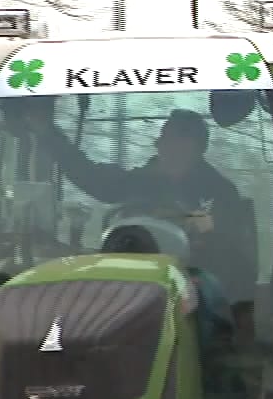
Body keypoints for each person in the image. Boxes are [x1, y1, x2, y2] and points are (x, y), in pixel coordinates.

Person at [30, 106, 258, 298]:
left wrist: (182, 218)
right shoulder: (140, 181)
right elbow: (91, 177)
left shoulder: (220, 191)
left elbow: (226, 241)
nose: (158, 144)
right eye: (160, 138)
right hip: (131, 282)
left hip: (193, 286)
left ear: (191, 145)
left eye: (166, 138)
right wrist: (48, 133)